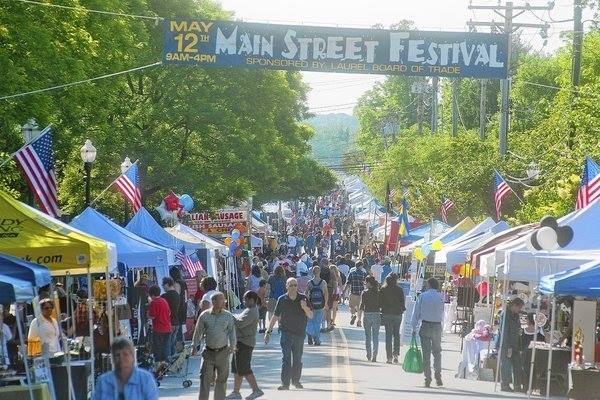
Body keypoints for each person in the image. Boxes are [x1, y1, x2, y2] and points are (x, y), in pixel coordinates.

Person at [264, 277, 313, 391]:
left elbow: (310, 315)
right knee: (286, 359)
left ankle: (296, 381)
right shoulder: (282, 299)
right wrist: (268, 332)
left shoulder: (303, 298)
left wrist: (304, 307)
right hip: (286, 333)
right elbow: (275, 316)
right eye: (290, 285)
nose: (293, 287)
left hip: (299, 334)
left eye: (295, 285)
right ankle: (285, 383)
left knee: (297, 359)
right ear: (286, 286)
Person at [192, 292, 237, 400]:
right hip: (208, 352)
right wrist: (194, 346)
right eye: (222, 300)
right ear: (214, 302)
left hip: (223, 351)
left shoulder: (228, 315)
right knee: (204, 379)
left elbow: (231, 331)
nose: (224, 302)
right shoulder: (205, 315)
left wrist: (233, 346)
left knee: (222, 380)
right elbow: (198, 331)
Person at [226, 291, 264, 400]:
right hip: (240, 342)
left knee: (244, 368)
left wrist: (228, 315)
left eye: (245, 299)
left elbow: (240, 324)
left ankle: (256, 390)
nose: (244, 301)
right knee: (238, 368)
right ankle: (236, 392)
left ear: (251, 300)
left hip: (245, 343)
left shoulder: (252, 311)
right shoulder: (249, 310)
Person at [411, 278, 445, 388]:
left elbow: (416, 312)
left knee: (426, 354)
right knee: (437, 352)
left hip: (425, 325)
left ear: (429, 285)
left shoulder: (422, 296)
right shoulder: (441, 297)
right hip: (437, 326)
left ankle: (427, 378)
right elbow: (442, 311)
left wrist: (413, 327)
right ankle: (438, 376)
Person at [499, 297, 525, 392]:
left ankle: (517, 385)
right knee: (506, 365)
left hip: (516, 344)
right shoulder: (505, 315)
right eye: (519, 307)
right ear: (514, 305)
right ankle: (504, 385)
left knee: (517, 365)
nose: (520, 310)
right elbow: (504, 332)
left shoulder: (516, 315)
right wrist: (508, 346)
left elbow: (517, 327)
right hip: (507, 344)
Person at [380, 273, 405, 364]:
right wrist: (402, 309)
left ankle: (389, 357)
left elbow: (380, 302)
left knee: (388, 336)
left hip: (386, 314)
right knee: (396, 335)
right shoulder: (399, 290)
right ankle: (396, 355)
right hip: (397, 314)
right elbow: (402, 302)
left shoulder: (383, 289)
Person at [357, 276, 381, 362]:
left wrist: (358, 318)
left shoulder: (364, 293)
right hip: (376, 314)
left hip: (367, 314)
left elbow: (361, 306)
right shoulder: (379, 292)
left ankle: (369, 355)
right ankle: (375, 355)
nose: (365, 284)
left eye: (366, 283)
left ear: (369, 283)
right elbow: (381, 304)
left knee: (368, 336)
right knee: (375, 336)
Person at [147, 285, 172, 362]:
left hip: (159, 329)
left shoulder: (154, 303)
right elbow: (169, 313)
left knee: (158, 348)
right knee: (166, 347)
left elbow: (152, 316)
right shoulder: (164, 301)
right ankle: (167, 364)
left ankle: (159, 365)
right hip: (168, 327)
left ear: (152, 295)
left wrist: (147, 313)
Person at [306, 266, 328, 346]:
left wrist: (307, 304)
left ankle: (309, 333)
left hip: (311, 305)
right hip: (320, 305)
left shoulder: (309, 282)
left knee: (310, 321)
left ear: (313, 272)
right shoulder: (323, 282)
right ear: (319, 272)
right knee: (317, 322)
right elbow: (325, 293)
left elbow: (306, 294)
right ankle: (317, 339)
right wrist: (325, 304)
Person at [161, 277, 180, 357]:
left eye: (163, 285)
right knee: (172, 343)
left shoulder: (164, 296)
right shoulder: (177, 294)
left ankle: (167, 361)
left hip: (168, 323)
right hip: (176, 322)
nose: (162, 287)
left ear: (167, 284)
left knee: (166, 344)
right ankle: (173, 360)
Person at [345, 261, 367, 325]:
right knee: (359, 308)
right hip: (361, 293)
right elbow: (365, 284)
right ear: (361, 266)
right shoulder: (363, 274)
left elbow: (348, 283)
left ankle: (353, 315)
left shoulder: (352, 273)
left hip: (353, 292)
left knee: (352, 306)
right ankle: (359, 321)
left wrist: (344, 291)